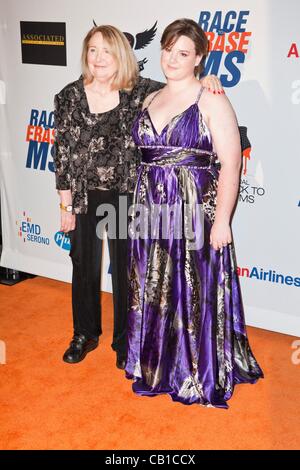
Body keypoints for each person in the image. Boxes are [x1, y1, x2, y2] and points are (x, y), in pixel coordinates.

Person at [53, 24, 221, 369]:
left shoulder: (141, 92)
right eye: (93, 50)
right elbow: (63, 155)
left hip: (126, 196)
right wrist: (65, 205)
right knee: (83, 265)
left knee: (125, 272)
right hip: (83, 196)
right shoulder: (68, 96)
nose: (99, 58)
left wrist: (207, 80)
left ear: (122, 55)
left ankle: (123, 340)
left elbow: (183, 89)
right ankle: (84, 333)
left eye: (107, 51)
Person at [125, 18, 263, 408]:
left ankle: (193, 370)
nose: (172, 58)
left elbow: (231, 164)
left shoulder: (213, 98)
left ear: (199, 57)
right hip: (150, 207)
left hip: (193, 210)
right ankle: (158, 363)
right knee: (155, 285)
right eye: (168, 49)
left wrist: (222, 220)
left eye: (183, 53)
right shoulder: (149, 98)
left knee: (193, 288)